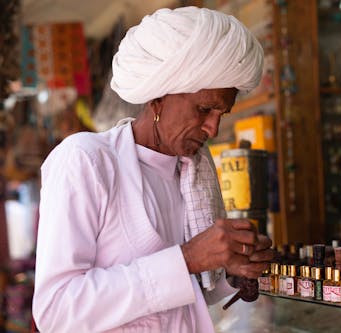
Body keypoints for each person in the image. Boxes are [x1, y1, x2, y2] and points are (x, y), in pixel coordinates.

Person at [32, 7, 274, 332]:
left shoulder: (193, 173)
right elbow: (57, 310)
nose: (213, 129)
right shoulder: (86, 161)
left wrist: (231, 268)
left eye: (221, 114)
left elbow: (178, 299)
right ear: (158, 98)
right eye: (204, 109)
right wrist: (187, 258)